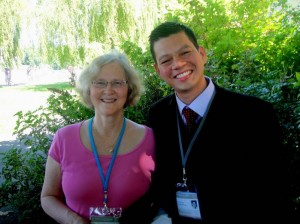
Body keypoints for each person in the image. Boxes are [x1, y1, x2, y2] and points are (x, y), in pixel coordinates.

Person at [147, 21, 293, 223]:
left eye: (185, 53)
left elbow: (276, 194)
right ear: (157, 70)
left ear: (202, 54)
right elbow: (159, 183)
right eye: (166, 60)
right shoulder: (157, 116)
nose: (177, 64)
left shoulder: (254, 114)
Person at [41, 49, 155, 224]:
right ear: (88, 89)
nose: (108, 90)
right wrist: (73, 220)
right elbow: (48, 196)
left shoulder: (150, 139)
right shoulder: (64, 138)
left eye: (117, 82)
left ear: (129, 89)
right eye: (100, 83)